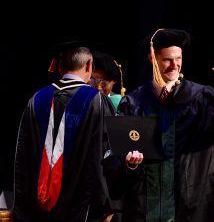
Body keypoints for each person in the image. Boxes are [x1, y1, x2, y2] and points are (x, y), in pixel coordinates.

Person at [117, 28, 214, 222]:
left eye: (178, 58)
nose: (174, 65)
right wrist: (129, 163)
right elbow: (121, 153)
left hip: (189, 202)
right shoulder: (134, 102)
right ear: (152, 58)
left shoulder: (201, 97)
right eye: (167, 60)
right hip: (144, 204)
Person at [12, 42, 143, 222]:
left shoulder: (36, 99)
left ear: (59, 67)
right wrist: (108, 201)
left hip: (37, 209)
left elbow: (23, 159)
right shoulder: (97, 101)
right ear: (89, 65)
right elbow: (110, 157)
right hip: (83, 209)